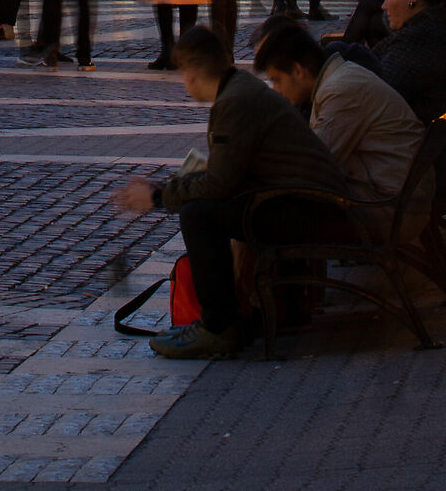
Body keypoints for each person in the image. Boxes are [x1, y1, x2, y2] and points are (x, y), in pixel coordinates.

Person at [112, 23, 352, 359]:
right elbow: (227, 174)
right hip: (310, 202)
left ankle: (218, 326)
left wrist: (157, 198)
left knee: (199, 215)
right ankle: (227, 319)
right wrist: (170, 189)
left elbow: (219, 184)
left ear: (191, 73)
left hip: (314, 212)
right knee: (205, 208)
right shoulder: (240, 91)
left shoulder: (235, 101)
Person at [255, 18, 423, 215]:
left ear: (298, 71)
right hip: (388, 194)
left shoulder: (340, 90)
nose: (277, 90)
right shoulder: (339, 79)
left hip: (387, 207)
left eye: (277, 80)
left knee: (257, 212)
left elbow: (312, 166)